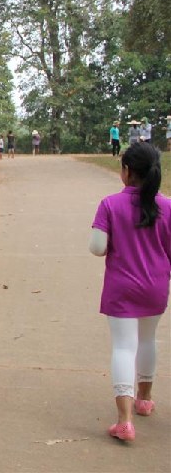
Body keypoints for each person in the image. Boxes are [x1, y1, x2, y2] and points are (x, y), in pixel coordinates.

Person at [89, 142, 170, 442]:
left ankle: (124, 421)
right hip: (156, 287)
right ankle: (145, 400)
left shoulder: (110, 205)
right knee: (148, 339)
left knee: (124, 347)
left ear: (126, 172)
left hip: (121, 288)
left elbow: (97, 247)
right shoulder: (168, 206)